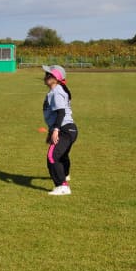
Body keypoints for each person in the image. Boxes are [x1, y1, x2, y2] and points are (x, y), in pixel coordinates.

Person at [42, 65, 78, 196]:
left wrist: (56, 130)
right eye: (46, 74)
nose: (45, 77)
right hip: (69, 129)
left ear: (56, 78)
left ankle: (62, 186)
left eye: (49, 75)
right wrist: (52, 130)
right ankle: (65, 175)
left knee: (52, 156)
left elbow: (61, 112)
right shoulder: (56, 91)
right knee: (61, 156)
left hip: (64, 130)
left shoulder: (57, 92)